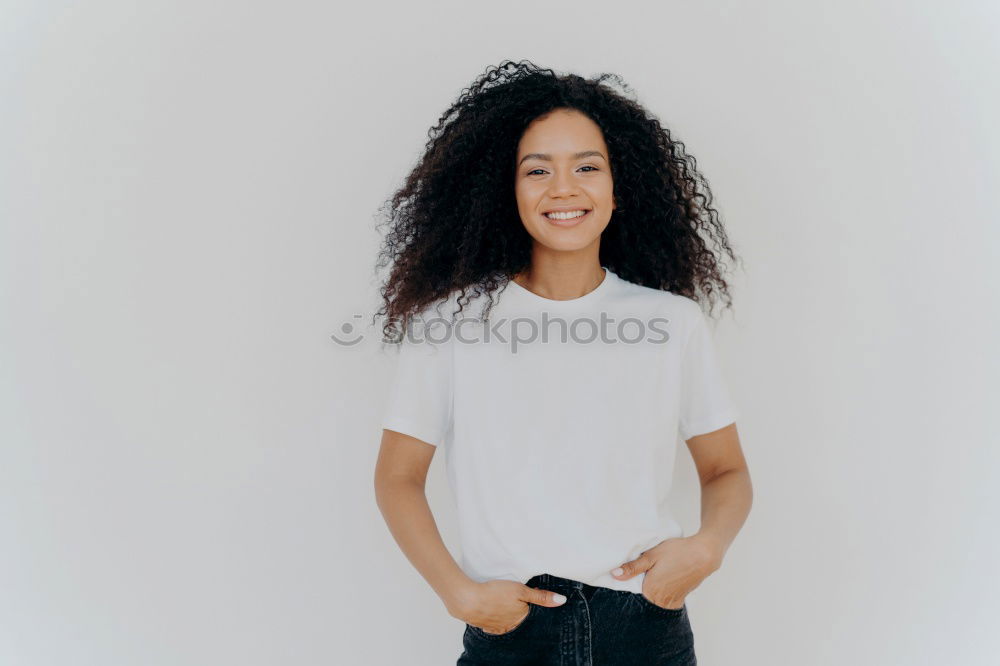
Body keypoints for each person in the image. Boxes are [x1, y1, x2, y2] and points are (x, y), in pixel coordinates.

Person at [372, 60, 753, 665]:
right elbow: (397, 479)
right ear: (507, 188)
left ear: (617, 186)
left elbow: (725, 471)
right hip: (511, 634)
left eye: (587, 167)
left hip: (645, 631)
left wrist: (707, 549)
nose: (564, 188)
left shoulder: (671, 323)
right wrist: (459, 595)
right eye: (537, 170)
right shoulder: (449, 326)